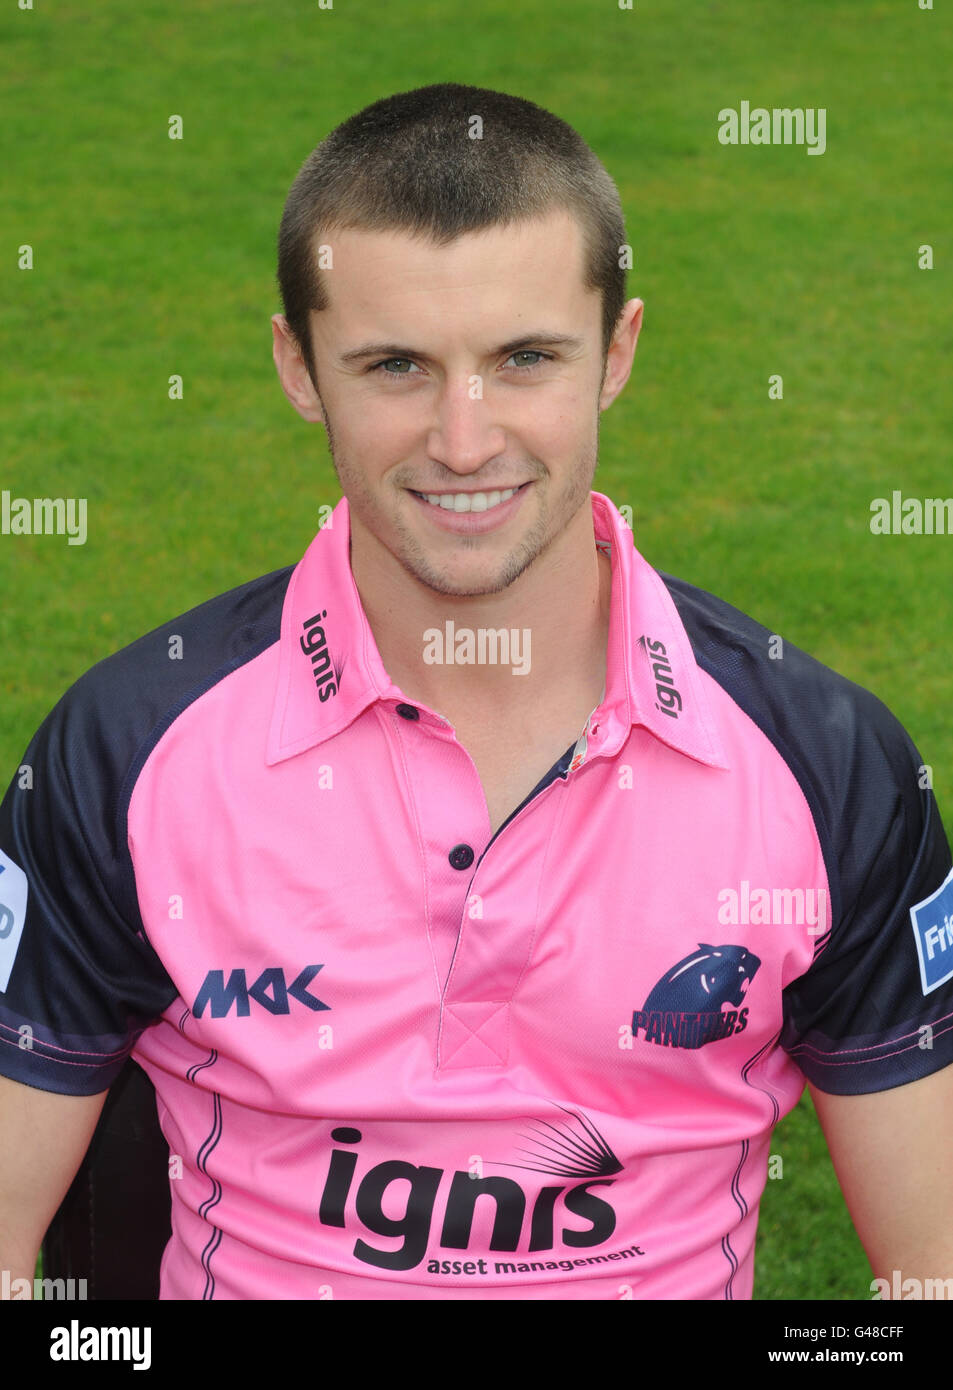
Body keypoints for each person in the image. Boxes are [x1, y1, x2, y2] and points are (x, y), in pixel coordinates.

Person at [1, 82, 951, 1302]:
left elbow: (925, 1281)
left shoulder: (825, 766)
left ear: (616, 351)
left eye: (523, 359)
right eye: (395, 364)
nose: (463, 440)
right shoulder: (128, 751)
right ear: (298, 366)